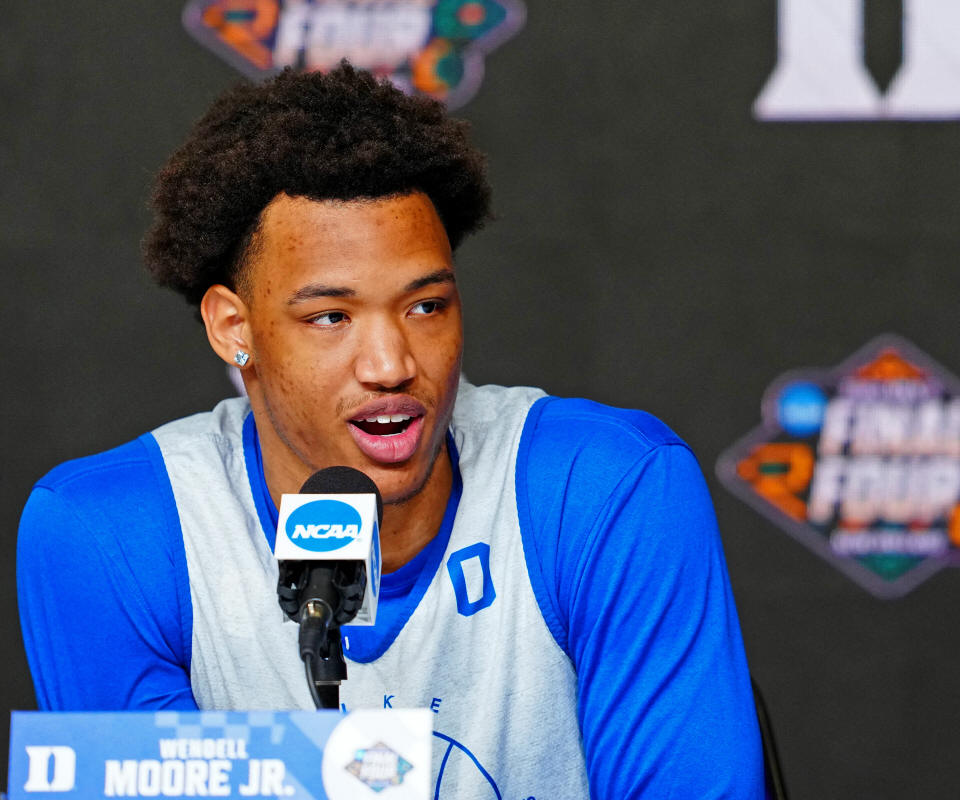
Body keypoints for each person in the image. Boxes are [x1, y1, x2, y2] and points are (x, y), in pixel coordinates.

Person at [17, 64, 766, 799]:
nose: (392, 364)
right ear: (233, 328)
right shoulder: (112, 532)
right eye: (330, 317)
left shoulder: (605, 487)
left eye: (425, 307)